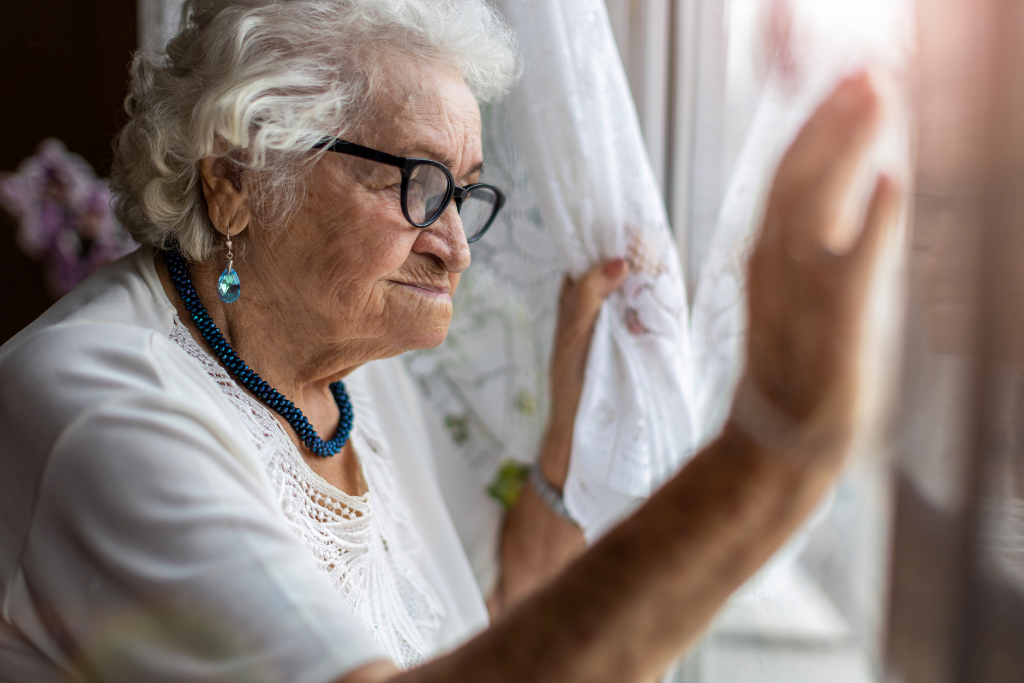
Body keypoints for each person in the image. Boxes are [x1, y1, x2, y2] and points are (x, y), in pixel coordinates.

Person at [0, 0, 900, 681]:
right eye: (416, 183)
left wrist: (567, 428)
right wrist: (771, 455)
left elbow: (498, 608)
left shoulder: (356, 377)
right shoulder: (102, 407)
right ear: (237, 178)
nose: (455, 244)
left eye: (463, 192)